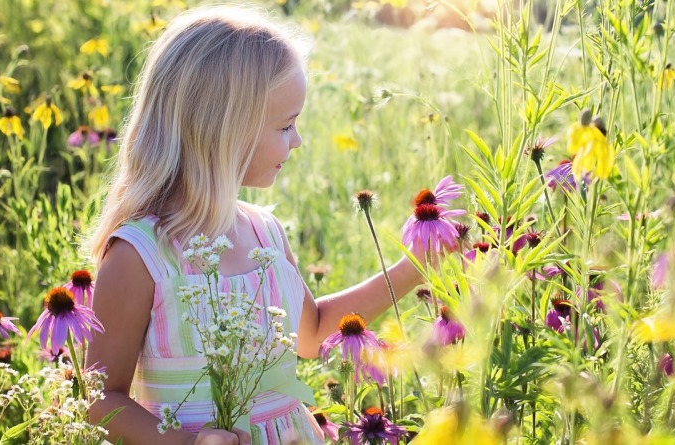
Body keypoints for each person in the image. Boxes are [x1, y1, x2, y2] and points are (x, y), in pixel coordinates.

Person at [85, 6, 425, 445]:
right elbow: (100, 398)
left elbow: (312, 334)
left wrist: (413, 267)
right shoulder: (140, 255)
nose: (298, 141)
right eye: (286, 125)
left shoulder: (265, 232)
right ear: (223, 129)